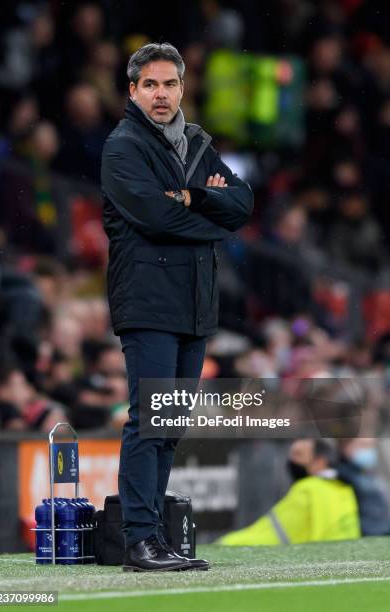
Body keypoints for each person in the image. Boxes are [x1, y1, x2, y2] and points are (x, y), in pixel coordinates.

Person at [102, 42, 253, 571]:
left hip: (193, 304)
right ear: (133, 91)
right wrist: (212, 217)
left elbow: (244, 202)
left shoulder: (194, 143)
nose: (161, 94)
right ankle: (139, 540)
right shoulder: (122, 147)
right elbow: (156, 219)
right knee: (148, 422)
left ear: (183, 88)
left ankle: (155, 537)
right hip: (147, 303)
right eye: (150, 85)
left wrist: (190, 196)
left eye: (169, 84)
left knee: (169, 424)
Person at [218, 439, 360, 546]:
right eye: (291, 454)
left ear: (320, 462)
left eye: (298, 455)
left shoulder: (307, 488)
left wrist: (226, 542)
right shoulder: (344, 488)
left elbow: (271, 531)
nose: (291, 460)